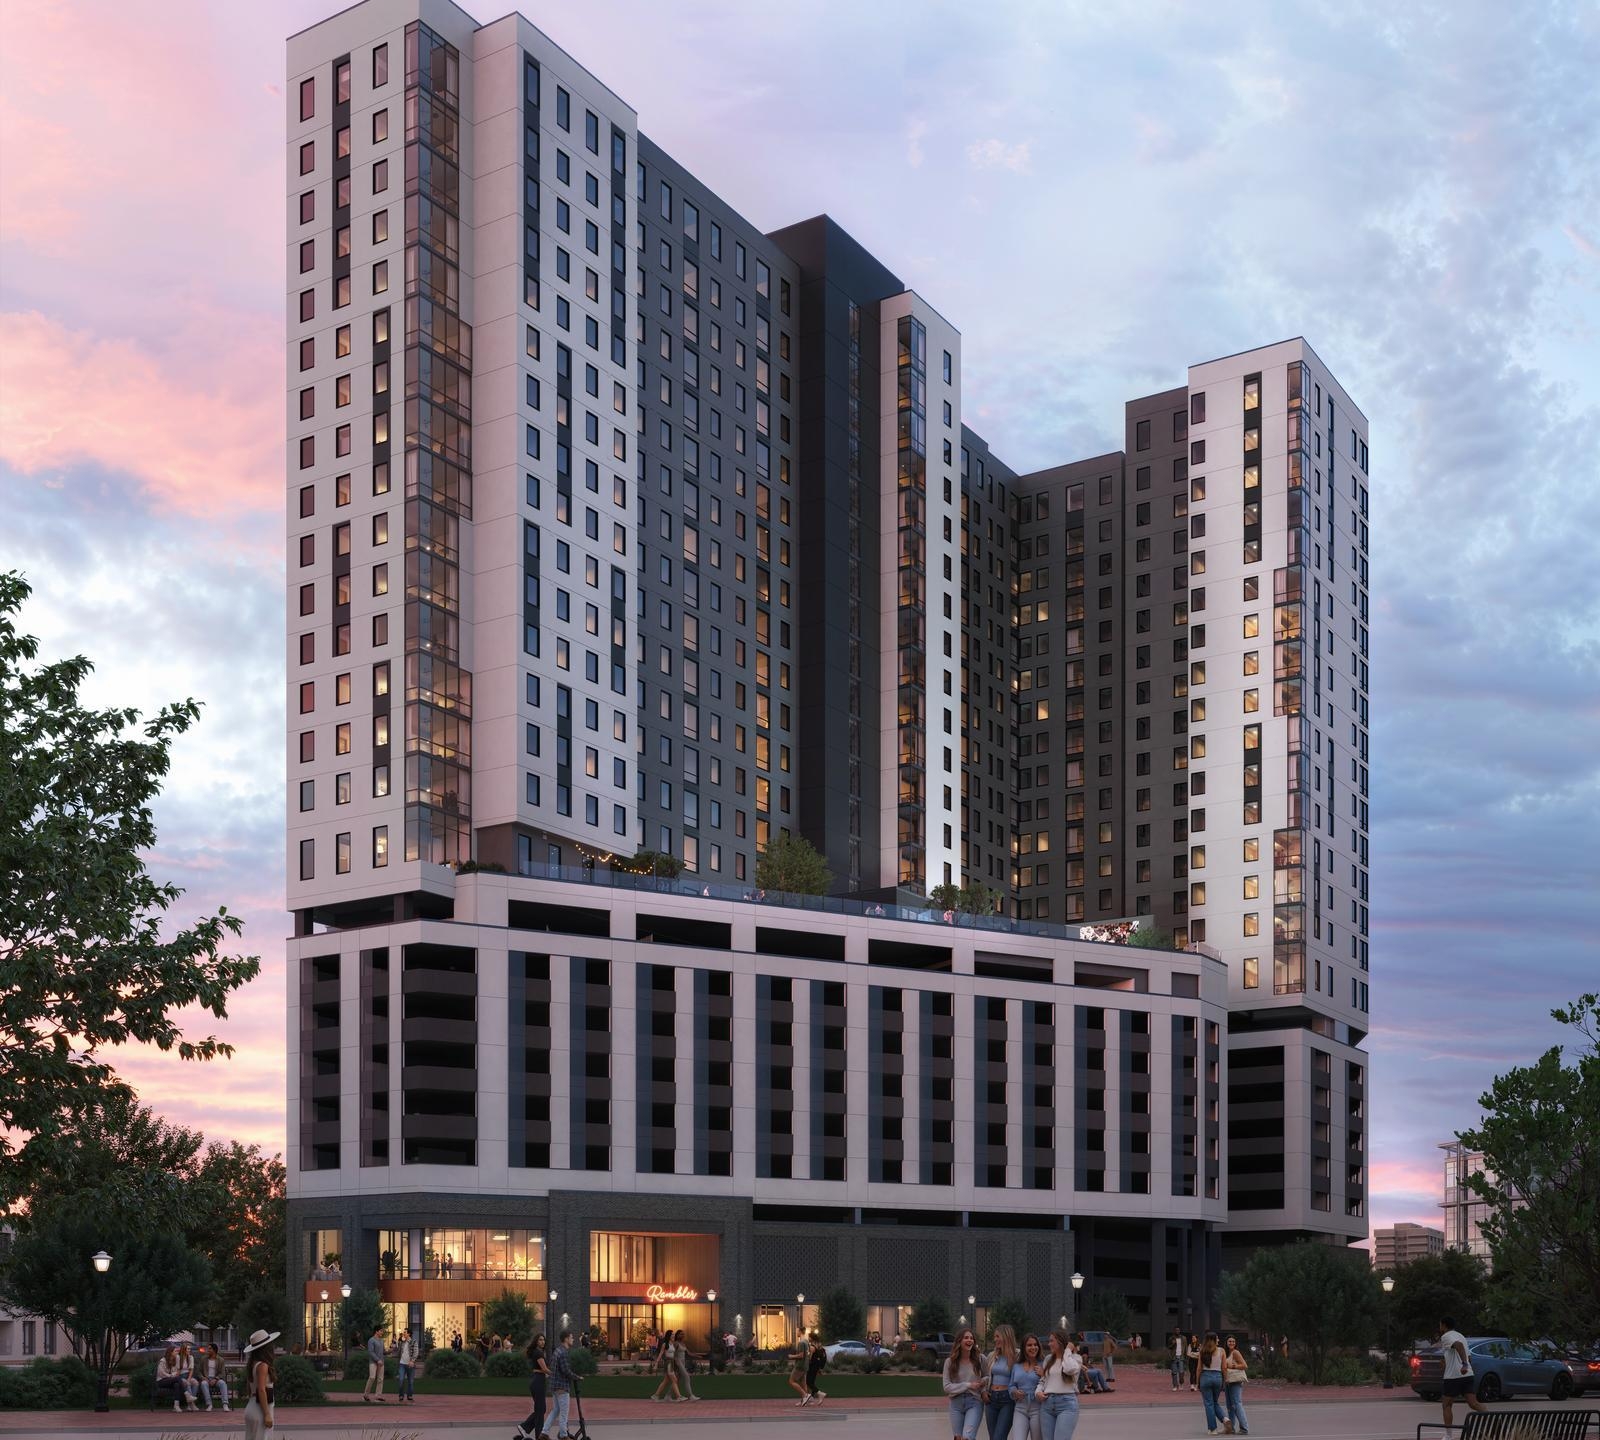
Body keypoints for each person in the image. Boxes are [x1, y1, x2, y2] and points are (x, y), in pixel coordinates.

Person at [1437, 1315, 1485, 1432]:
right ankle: (1495, 1421)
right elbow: (1468, 1356)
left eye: (1440, 1324)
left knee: (1447, 1405)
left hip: (1453, 1377)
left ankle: (1448, 1436)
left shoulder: (1446, 1336)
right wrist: (1464, 1364)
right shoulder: (1461, 1336)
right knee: (1473, 1404)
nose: (1439, 1327)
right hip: (1468, 1375)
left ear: (1444, 1325)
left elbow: (1458, 1346)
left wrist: (1463, 1364)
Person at [1034, 1328, 1081, 1440]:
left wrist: (1068, 1350)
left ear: (1060, 1342)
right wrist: (1038, 1392)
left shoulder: (1075, 1359)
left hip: (1067, 1404)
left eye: (1051, 1341)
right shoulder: (1048, 1359)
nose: (1049, 1344)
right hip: (1047, 1405)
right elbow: (1043, 1381)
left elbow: (1069, 1369)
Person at [943, 1328, 986, 1440]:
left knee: (967, 1437)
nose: (969, 1340)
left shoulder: (980, 1359)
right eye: (966, 1338)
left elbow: (989, 1375)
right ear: (959, 1341)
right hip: (955, 1404)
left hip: (974, 1402)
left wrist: (983, 1382)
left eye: (971, 1338)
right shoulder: (950, 1362)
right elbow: (947, 1387)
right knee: (958, 1438)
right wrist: (968, 1385)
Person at [241, 1329, 279, 1440]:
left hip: (252, 1406)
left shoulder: (253, 1364)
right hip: (260, 1409)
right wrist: (267, 1414)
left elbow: (251, 1388)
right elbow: (261, 1390)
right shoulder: (263, 1366)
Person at [1010, 1333, 1045, 1440]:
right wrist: (1014, 1392)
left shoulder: (1043, 1364)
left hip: (1038, 1409)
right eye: (1029, 1345)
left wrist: (1044, 1374)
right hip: (1020, 1409)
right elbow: (1011, 1385)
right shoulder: (1016, 1366)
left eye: (1035, 1345)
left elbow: (1051, 1384)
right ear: (1024, 1348)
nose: (1033, 1347)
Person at [985, 1324, 1017, 1440]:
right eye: (995, 1337)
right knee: (993, 1437)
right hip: (991, 1399)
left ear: (1006, 1336)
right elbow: (985, 1376)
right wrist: (984, 1392)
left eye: (997, 1336)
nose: (995, 1339)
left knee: (999, 1437)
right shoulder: (992, 1356)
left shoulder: (1017, 1355)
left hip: (1007, 1399)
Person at [540, 1329, 574, 1439]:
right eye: (571, 1337)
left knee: (555, 1410)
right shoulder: (563, 1352)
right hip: (562, 1387)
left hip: (554, 1386)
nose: (573, 1339)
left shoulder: (557, 1351)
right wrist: (577, 1377)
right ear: (566, 1339)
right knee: (564, 1413)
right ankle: (564, 1435)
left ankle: (544, 1432)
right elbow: (565, 1370)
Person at [517, 1334, 548, 1438]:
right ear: (536, 1341)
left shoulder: (537, 1352)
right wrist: (555, 1374)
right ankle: (528, 1429)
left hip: (538, 1380)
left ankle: (527, 1428)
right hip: (538, 1381)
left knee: (541, 1409)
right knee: (540, 1409)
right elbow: (544, 1369)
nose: (542, 1342)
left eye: (543, 1340)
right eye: (540, 1340)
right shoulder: (538, 1353)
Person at [1196, 1330, 1225, 1435]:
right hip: (1218, 1377)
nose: (1218, 1340)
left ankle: (1213, 1429)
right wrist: (1224, 1380)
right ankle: (1225, 1419)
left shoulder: (1202, 1351)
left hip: (1205, 1376)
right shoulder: (1221, 1351)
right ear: (1214, 1340)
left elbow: (1199, 1368)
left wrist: (1197, 1382)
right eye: (1217, 1338)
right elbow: (1224, 1368)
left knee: (1209, 1403)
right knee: (1215, 1402)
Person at [1222, 1334, 1249, 1436]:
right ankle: (1232, 1428)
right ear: (1226, 1342)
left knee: (1237, 1404)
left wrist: (1233, 1366)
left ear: (1235, 1343)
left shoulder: (1236, 1352)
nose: (1231, 1343)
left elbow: (1244, 1365)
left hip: (1236, 1381)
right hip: (1228, 1381)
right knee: (1230, 1406)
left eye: (1233, 1341)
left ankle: (1244, 1428)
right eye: (1229, 1341)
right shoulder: (1226, 1353)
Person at [651, 1328, 682, 1402]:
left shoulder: (672, 1344)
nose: (674, 1336)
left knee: (666, 1381)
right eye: (672, 1335)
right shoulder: (665, 1344)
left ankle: (656, 1395)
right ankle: (679, 1396)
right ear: (669, 1336)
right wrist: (656, 1364)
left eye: (674, 1335)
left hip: (672, 1362)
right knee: (674, 1379)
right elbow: (661, 1354)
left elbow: (673, 1354)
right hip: (668, 1363)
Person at [200, 1343, 232, 1413]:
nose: (208, 1350)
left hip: (216, 1379)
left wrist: (216, 1379)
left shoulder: (220, 1360)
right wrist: (203, 1378)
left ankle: (225, 1404)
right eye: (208, 1348)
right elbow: (199, 1371)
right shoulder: (204, 1359)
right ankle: (209, 1404)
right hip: (206, 1378)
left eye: (210, 1349)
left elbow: (222, 1373)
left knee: (223, 1383)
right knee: (203, 1384)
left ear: (214, 1350)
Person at [155, 1345, 186, 1412]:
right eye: (176, 1351)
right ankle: (186, 1394)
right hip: (161, 1381)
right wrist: (171, 1375)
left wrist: (172, 1375)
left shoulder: (177, 1358)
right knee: (177, 1379)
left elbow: (177, 1371)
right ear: (171, 1352)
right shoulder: (162, 1361)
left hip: (171, 1380)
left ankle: (176, 1406)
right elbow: (161, 1374)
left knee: (176, 1385)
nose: (177, 1352)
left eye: (178, 1351)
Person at [673, 1328, 700, 1402]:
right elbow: (673, 1354)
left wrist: (697, 1355)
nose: (683, 1335)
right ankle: (690, 1396)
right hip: (678, 1362)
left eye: (683, 1334)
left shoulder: (683, 1343)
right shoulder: (676, 1343)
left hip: (683, 1362)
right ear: (677, 1335)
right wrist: (675, 1364)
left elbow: (689, 1353)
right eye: (681, 1334)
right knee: (687, 1377)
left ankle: (668, 1396)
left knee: (677, 1380)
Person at [363, 1325, 387, 1403]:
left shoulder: (381, 1340)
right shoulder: (371, 1340)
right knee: (372, 1377)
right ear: (376, 1331)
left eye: (382, 1331)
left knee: (380, 1379)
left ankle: (378, 1396)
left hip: (381, 1362)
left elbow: (383, 1351)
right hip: (373, 1362)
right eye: (381, 1331)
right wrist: (377, 1360)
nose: (382, 1332)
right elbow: (371, 1352)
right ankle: (366, 1395)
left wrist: (389, 1350)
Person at [787, 1330, 811, 1407]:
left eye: (797, 1331)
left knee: (791, 1381)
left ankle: (805, 1395)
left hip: (800, 1365)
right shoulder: (807, 1342)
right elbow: (809, 1354)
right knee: (803, 1383)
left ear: (800, 1332)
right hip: (805, 1365)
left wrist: (791, 1356)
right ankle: (804, 1401)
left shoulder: (801, 1343)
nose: (796, 1332)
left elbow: (801, 1355)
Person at [804, 1333, 828, 1407]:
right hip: (817, 1366)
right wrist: (820, 1368)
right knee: (812, 1382)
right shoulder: (819, 1345)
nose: (808, 1338)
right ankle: (812, 1398)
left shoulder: (812, 1347)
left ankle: (820, 1394)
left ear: (811, 1338)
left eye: (809, 1337)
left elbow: (810, 1358)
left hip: (812, 1366)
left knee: (808, 1382)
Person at [396, 1330, 416, 1404]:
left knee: (410, 1381)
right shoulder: (402, 1342)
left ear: (409, 1334)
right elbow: (399, 1352)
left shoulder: (413, 1341)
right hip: (402, 1364)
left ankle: (409, 1396)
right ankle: (401, 1395)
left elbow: (416, 1352)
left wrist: (412, 1361)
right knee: (401, 1380)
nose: (403, 1333)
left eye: (405, 1332)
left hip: (410, 1364)